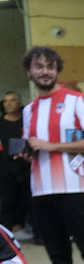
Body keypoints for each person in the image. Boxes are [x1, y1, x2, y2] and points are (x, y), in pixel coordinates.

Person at [21, 46, 84, 264]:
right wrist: (30, 153)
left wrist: (52, 146)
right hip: (41, 191)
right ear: (29, 72)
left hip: (75, 189)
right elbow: (35, 146)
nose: (45, 71)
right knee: (57, 256)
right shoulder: (29, 110)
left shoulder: (76, 100)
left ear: (58, 70)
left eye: (50, 66)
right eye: (39, 66)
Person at [0, 90, 31, 239]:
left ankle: (21, 227)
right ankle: (7, 235)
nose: (8, 104)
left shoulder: (26, 122)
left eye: (12, 100)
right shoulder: (0, 123)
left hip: (25, 167)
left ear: (19, 103)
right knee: (7, 201)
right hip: (4, 169)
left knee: (27, 199)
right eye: (6, 101)